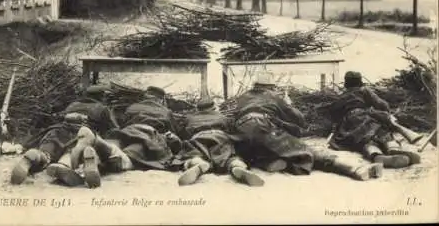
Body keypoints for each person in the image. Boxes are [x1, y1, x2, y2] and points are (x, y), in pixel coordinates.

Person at [228, 80, 384, 181]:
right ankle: (353, 169)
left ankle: (264, 162)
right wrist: (289, 104)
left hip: (241, 133)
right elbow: (299, 120)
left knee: (253, 149)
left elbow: (233, 119)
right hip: (263, 125)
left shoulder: (243, 97)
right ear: (270, 87)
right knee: (305, 150)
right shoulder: (273, 96)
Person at [68, 86, 183, 188]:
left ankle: (97, 144)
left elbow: (121, 124)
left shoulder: (132, 107)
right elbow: (175, 132)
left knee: (116, 146)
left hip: (127, 131)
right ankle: (99, 149)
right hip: (150, 134)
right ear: (161, 99)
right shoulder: (166, 111)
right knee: (131, 157)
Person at [10, 89, 119, 186]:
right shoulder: (102, 108)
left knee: (48, 152)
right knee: (75, 149)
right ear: (102, 97)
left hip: (58, 130)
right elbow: (112, 130)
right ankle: (65, 163)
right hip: (81, 132)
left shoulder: (73, 105)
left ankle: (38, 155)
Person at [328, 71, 421, 169]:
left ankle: (376, 155)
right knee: (382, 132)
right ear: (359, 81)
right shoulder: (364, 90)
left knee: (364, 141)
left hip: (349, 123)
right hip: (366, 115)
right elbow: (382, 104)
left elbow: (333, 112)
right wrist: (382, 113)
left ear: (346, 82)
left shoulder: (341, 96)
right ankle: (392, 148)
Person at [173, 99, 264, 187]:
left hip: (199, 137)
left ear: (197, 109)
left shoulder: (190, 118)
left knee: (193, 153)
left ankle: (197, 163)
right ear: (213, 107)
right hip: (220, 136)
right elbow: (231, 130)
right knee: (228, 155)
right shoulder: (222, 117)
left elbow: (183, 134)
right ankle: (236, 165)